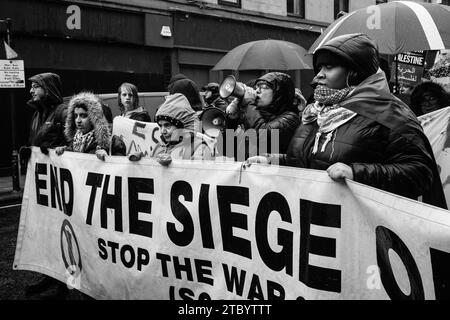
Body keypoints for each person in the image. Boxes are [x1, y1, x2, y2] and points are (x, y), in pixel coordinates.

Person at [246, 33, 447, 209]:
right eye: (319, 68)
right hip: (315, 229)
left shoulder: (391, 112)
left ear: (354, 72)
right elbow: (310, 161)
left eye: (329, 67)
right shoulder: (317, 112)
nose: (318, 76)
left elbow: (421, 173)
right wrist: (275, 161)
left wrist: (356, 174)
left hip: (359, 236)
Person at [224, 72, 301, 159]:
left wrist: (249, 103)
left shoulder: (290, 118)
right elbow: (227, 150)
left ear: (279, 93)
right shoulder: (253, 113)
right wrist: (232, 120)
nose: (257, 91)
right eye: (257, 87)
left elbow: (261, 136)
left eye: (264, 87)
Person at [129, 93, 213, 163]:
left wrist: (173, 165)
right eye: (160, 126)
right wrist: (142, 161)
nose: (162, 131)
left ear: (182, 126)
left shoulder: (199, 148)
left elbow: (200, 176)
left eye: (167, 125)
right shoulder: (160, 146)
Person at [55, 91, 110, 160]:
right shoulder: (75, 139)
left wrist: (107, 155)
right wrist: (64, 150)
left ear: (93, 118)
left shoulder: (103, 144)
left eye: (83, 116)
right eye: (75, 116)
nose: (78, 120)